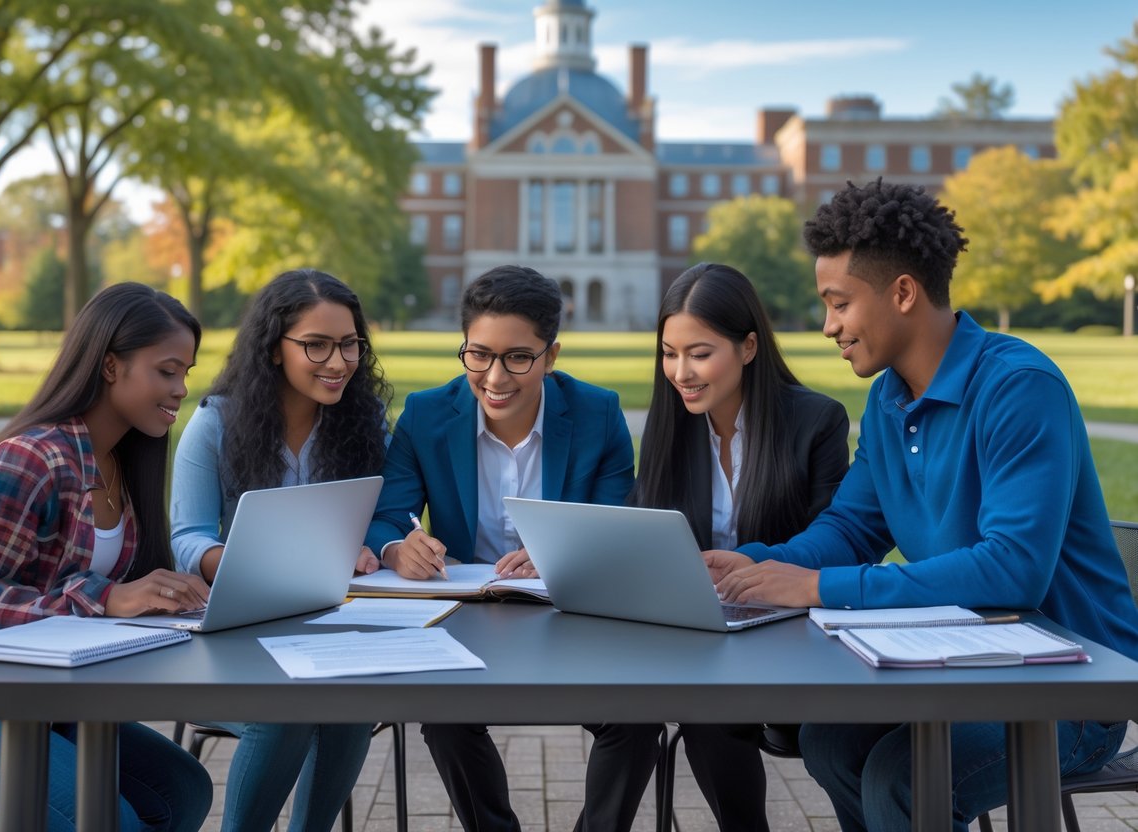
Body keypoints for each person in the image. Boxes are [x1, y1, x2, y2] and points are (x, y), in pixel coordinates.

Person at [708, 178, 1138, 832]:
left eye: (838, 304)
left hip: (1070, 689)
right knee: (828, 740)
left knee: (900, 777)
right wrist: (742, 568)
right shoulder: (887, 400)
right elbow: (850, 529)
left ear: (902, 293)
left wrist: (820, 587)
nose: (828, 327)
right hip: (966, 664)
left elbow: (1010, 570)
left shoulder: (1018, 387)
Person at [0, 283, 213, 831]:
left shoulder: (124, 464)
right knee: (109, 820)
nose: (180, 390)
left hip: (53, 704)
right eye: (167, 371)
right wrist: (105, 598)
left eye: (186, 374)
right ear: (110, 365)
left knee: (184, 790)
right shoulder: (32, 458)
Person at [365, 264, 640, 832]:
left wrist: (563, 553)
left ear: (551, 356)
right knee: (442, 715)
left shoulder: (598, 413)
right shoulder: (426, 414)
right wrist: (397, 547)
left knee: (637, 719)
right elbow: (385, 513)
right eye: (478, 355)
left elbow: (618, 525)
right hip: (466, 615)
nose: (495, 376)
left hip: (571, 617)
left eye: (518, 357)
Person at [588, 262, 850, 832]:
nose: (680, 372)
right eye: (669, 353)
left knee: (706, 711)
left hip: (788, 636)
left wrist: (755, 566)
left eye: (699, 353)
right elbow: (642, 530)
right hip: (700, 636)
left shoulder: (815, 422)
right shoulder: (673, 424)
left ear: (749, 346)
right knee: (630, 708)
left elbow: (837, 541)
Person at [170, 268, 386, 832]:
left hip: (330, 630)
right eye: (316, 345)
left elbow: (380, 517)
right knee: (285, 713)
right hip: (234, 634)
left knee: (349, 709)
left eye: (349, 345)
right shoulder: (215, 423)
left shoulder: (364, 422)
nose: (338, 362)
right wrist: (253, 565)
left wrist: (373, 546)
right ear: (273, 349)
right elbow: (187, 538)